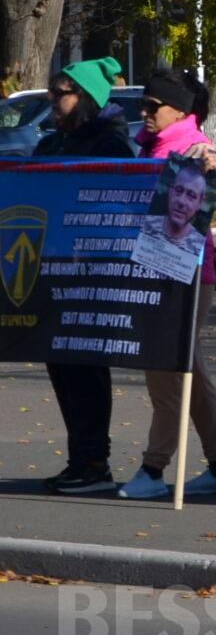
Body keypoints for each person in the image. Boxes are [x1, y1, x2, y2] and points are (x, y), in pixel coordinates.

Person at [123, 68, 216, 500]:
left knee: (168, 372)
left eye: (153, 106)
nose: (145, 112)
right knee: (188, 370)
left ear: (180, 110)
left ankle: (153, 471)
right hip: (152, 270)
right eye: (144, 104)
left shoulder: (196, 147)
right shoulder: (149, 147)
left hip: (185, 275)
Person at [31, 57, 134, 495]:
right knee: (61, 366)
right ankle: (79, 458)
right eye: (53, 93)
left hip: (90, 274)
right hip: (50, 271)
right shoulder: (50, 144)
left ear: (86, 99)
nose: (53, 102)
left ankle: (95, 462)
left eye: (61, 94)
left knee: (85, 367)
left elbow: (118, 204)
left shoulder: (110, 145)